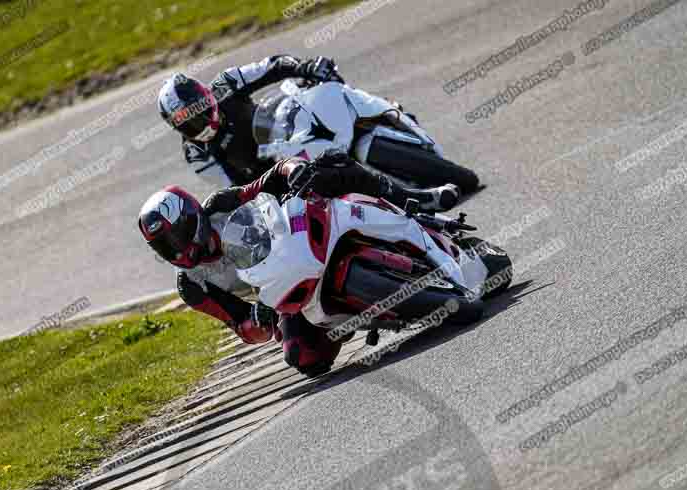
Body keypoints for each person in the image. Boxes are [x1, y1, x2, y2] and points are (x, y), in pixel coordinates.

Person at [138, 151, 460, 376]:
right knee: (305, 358)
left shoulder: (220, 206)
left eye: (177, 236)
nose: (177, 249)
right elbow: (240, 326)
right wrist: (259, 317)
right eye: (165, 245)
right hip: (281, 293)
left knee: (331, 164)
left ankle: (416, 203)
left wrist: (294, 171)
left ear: (193, 215)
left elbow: (271, 178)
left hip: (296, 243)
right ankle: (358, 313)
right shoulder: (191, 286)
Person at [158, 55, 341, 185]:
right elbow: (236, 189)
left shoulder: (226, 83)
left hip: (287, 133)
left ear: (205, 95)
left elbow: (272, 66)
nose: (199, 123)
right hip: (274, 180)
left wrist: (307, 67)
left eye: (199, 111)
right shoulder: (196, 153)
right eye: (187, 124)